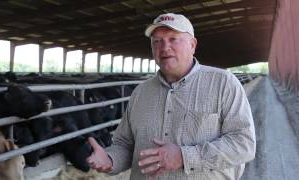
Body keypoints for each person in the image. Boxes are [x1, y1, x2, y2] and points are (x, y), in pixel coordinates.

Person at [86, 13, 256, 180]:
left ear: (192, 44)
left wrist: (184, 157)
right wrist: (110, 159)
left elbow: (243, 144)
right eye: (157, 41)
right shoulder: (140, 93)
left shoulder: (223, 83)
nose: (164, 47)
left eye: (173, 39)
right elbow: (125, 144)